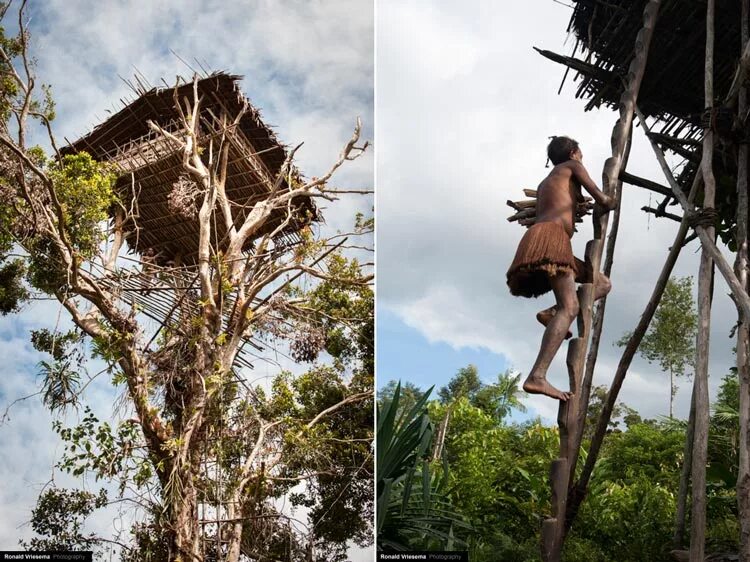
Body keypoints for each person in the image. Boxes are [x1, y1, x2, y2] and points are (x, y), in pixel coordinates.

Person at [506, 136, 616, 401]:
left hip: (542, 238)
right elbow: (602, 198)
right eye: (581, 153)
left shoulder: (548, 181)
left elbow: (567, 202)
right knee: (571, 307)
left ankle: (551, 312)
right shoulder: (572, 166)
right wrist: (611, 198)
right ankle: (537, 376)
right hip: (552, 238)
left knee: (601, 283)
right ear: (574, 152)